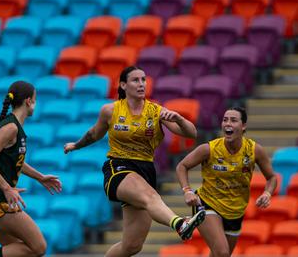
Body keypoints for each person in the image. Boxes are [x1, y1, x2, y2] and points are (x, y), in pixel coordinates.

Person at [63, 66, 205, 257]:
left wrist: (179, 119)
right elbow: (93, 134)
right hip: (118, 168)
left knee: (132, 246)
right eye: (135, 80)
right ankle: (180, 224)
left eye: (143, 80)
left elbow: (191, 133)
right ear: (123, 85)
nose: (141, 84)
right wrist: (76, 145)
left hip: (146, 170)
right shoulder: (110, 110)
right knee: (151, 197)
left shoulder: (156, 111)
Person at [0, 81, 62, 257]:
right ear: (28, 101)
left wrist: (40, 177)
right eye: (35, 99)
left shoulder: (14, 126)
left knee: (19, 253)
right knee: (39, 247)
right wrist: (7, 188)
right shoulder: (11, 128)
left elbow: (14, 161)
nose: (35, 104)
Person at [176, 107, 278, 257]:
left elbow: (272, 177)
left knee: (221, 255)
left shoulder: (254, 150)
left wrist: (267, 193)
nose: (227, 123)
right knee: (222, 253)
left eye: (233, 120)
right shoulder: (208, 149)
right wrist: (187, 191)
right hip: (207, 204)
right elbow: (182, 166)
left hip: (236, 211)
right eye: (225, 120)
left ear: (243, 126)